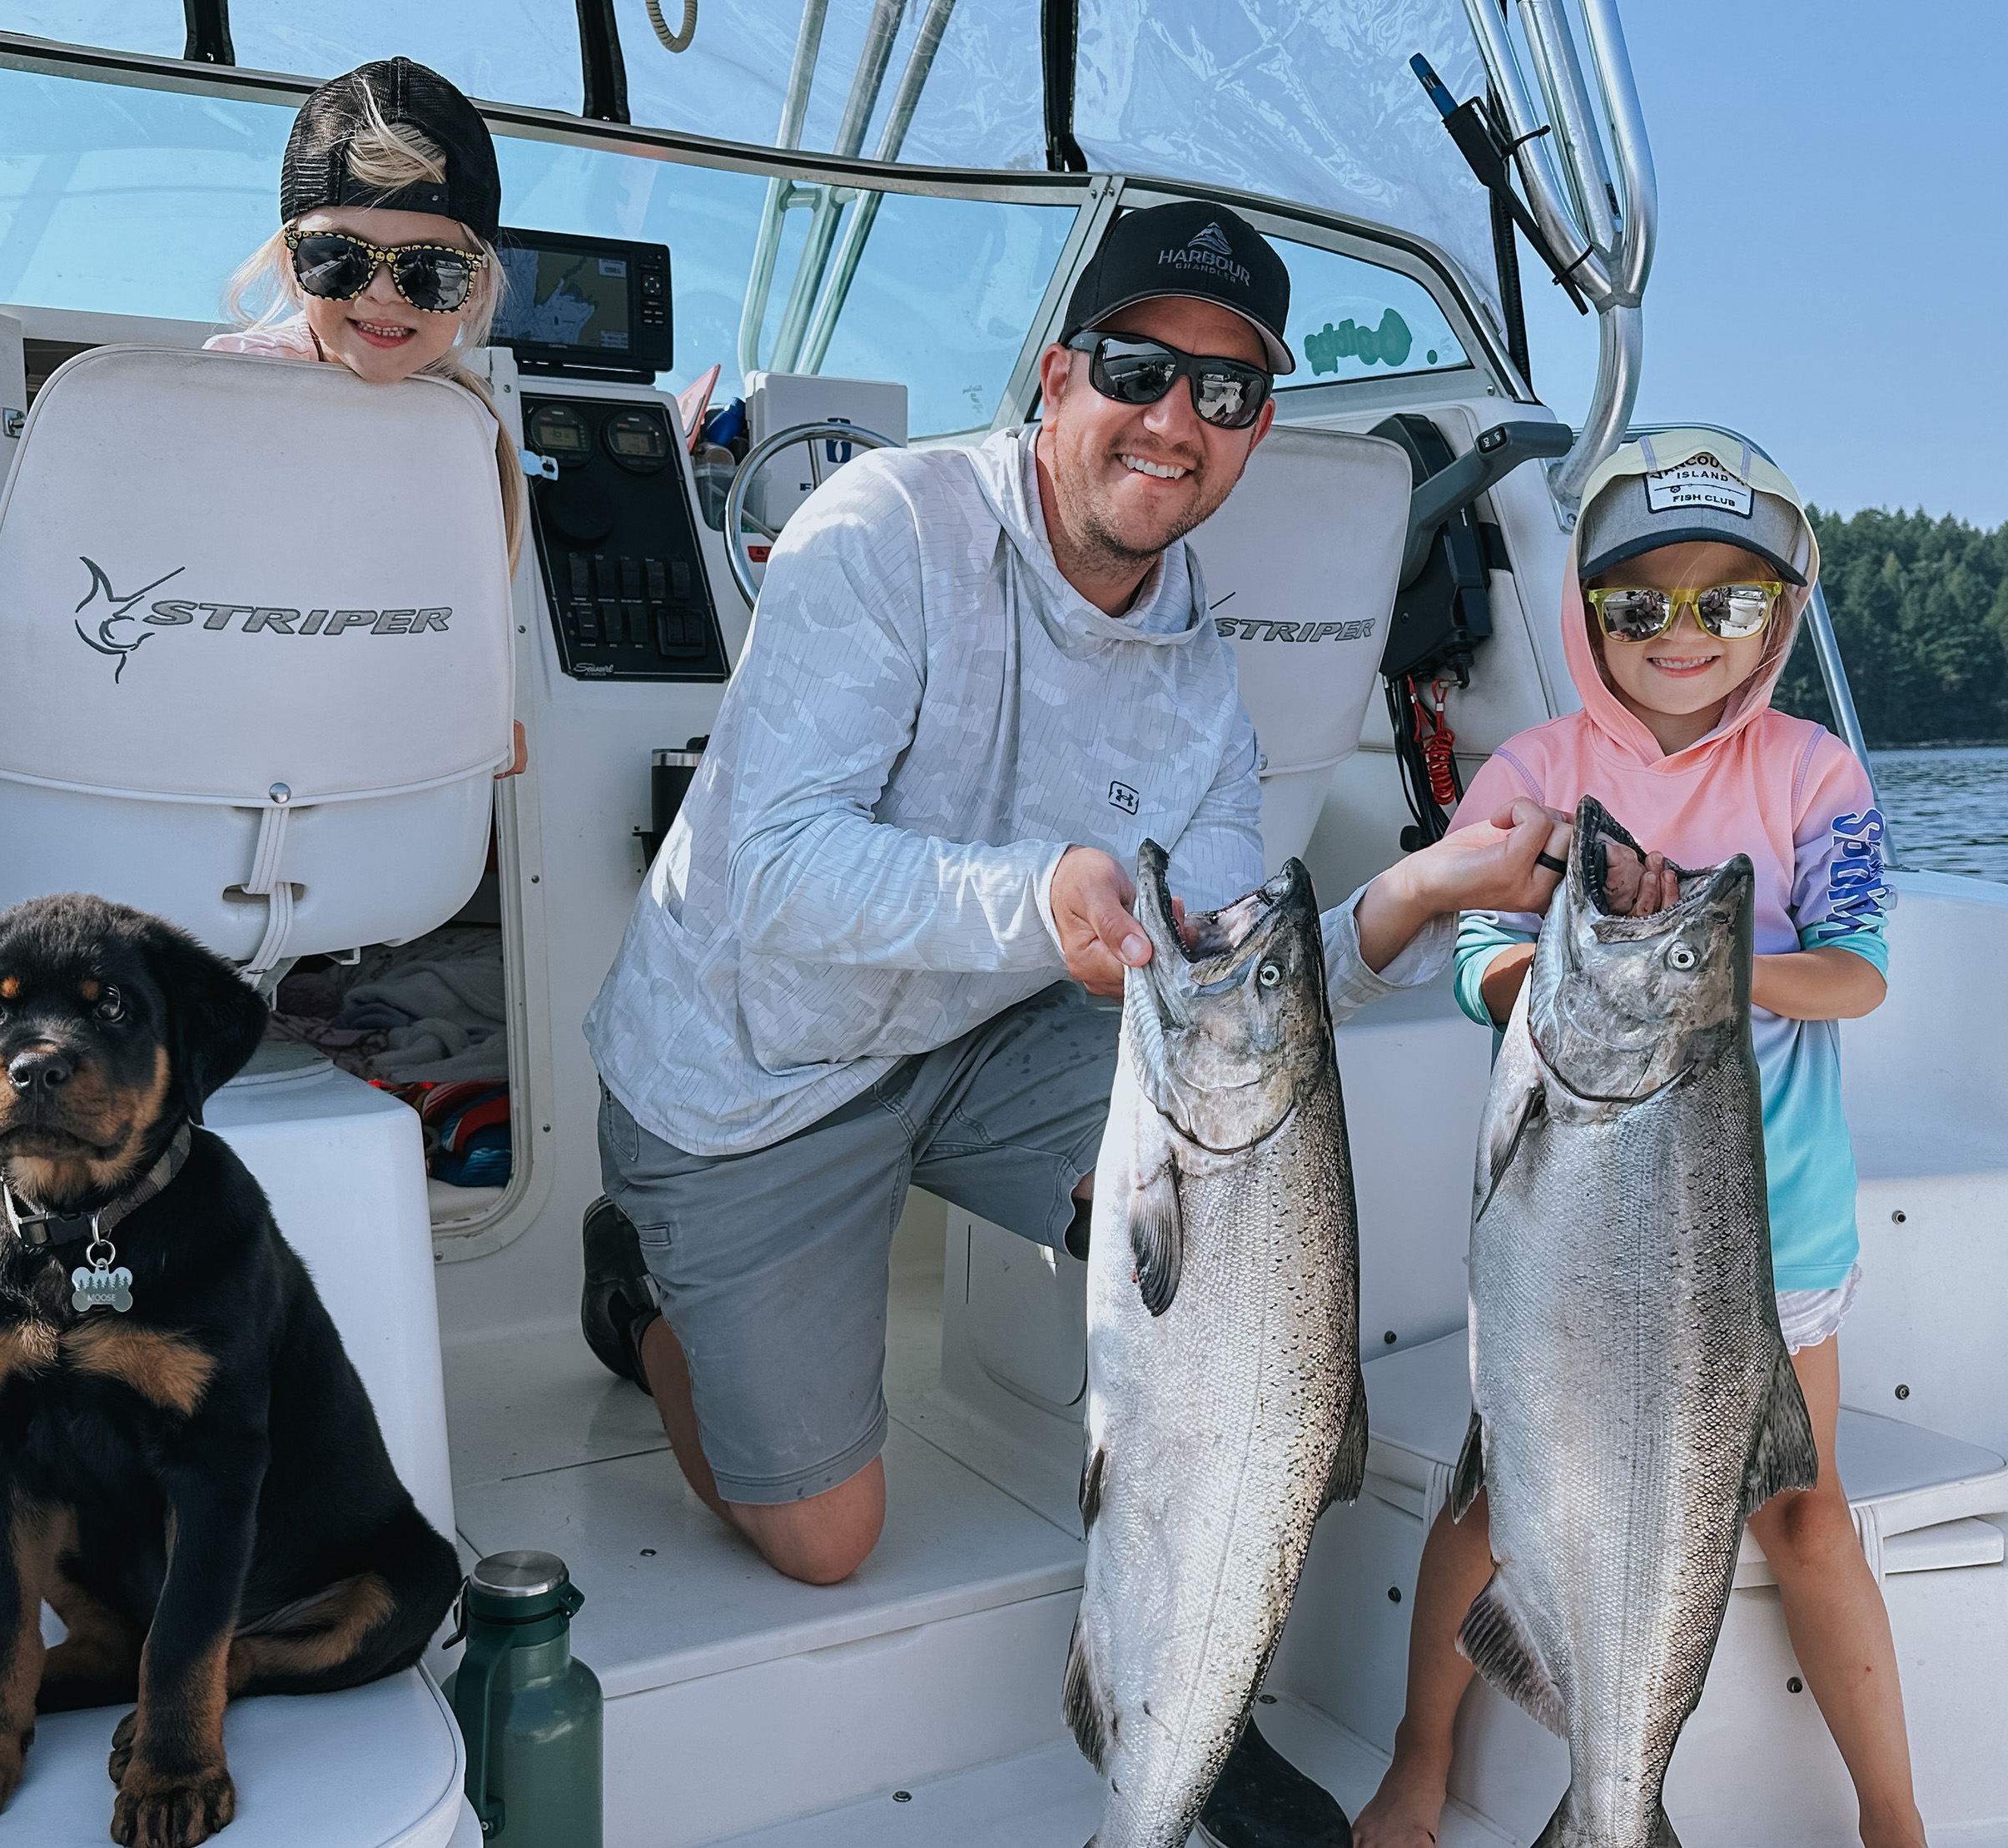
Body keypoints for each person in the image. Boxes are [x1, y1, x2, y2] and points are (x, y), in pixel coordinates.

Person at [578, 199, 1570, 1594]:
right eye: (1137, 368)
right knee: (824, 1542)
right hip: (757, 1066)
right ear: (1059, 376)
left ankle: (1179, 1603)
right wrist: (1039, 899)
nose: (1174, 417)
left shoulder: (1196, 668)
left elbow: (1234, 982)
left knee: (1230, 1163)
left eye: (1224, 390)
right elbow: (769, 873)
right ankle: (641, 1296)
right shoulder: (886, 528)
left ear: (1255, 431)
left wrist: (1419, 888)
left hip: (983, 1037)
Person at [1350, 432, 1919, 1848]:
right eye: (1640, 602)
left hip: (1775, 1233)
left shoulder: (1814, 774)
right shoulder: (1532, 774)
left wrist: (1696, 968)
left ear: (1779, 617)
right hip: (1570, 1250)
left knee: (1804, 1513)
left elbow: (1859, 972)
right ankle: (1422, 1766)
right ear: (1585, 611)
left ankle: (1894, 1819)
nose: (1682, 635)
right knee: (1497, 1511)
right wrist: (1598, 962)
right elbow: (1486, 968)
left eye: (1726, 603)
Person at [214, 56, 533, 786]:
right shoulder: (232, 386)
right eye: (339, 259)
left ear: (476, 286)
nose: (385, 295)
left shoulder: (470, 430)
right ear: (293, 267)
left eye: (430, 269)